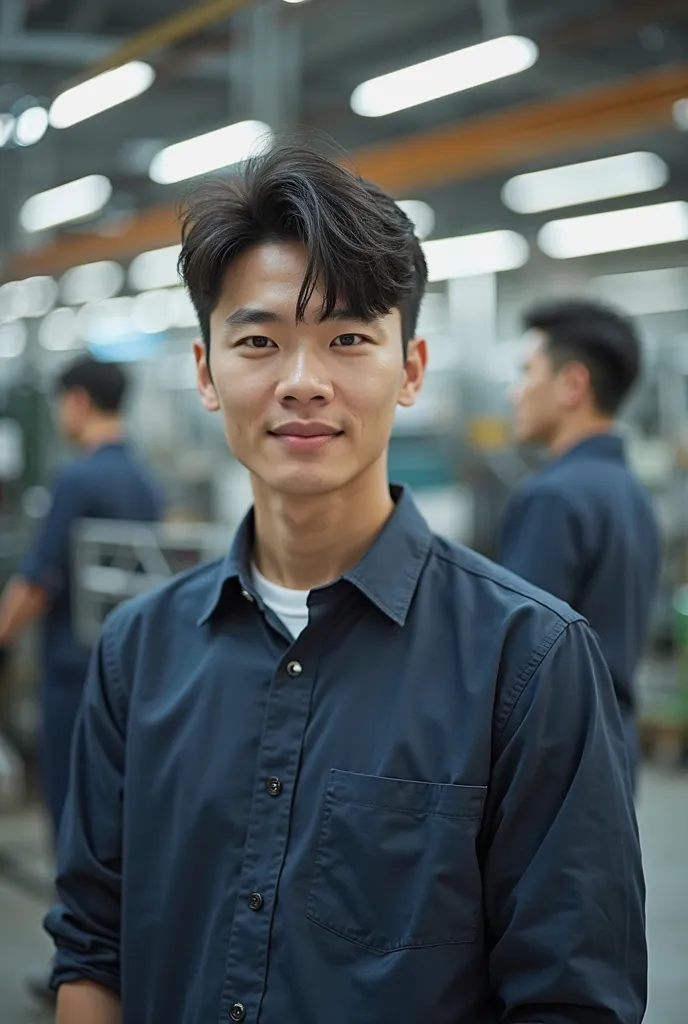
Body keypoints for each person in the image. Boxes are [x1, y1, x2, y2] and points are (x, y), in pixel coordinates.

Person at [47, 145, 646, 1024]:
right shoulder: (135, 655)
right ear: (207, 372)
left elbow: (572, 997)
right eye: (258, 341)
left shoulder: (529, 663)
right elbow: (92, 948)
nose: (301, 382)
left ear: (409, 369)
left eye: (348, 338)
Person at [0, 355, 163, 1003]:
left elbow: (38, 581)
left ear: (75, 402)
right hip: (139, 676)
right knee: (124, 824)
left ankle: (82, 971)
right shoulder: (145, 481)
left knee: (74, 822)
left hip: (75, 676)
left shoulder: (76, 481)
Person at [500, 300, 660, 789]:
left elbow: (516, 667)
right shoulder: (630, 492)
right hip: (611, 756)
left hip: (555, 769)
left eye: (528, 372)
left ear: (572, 384)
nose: (515, 392)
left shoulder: (553, 497)